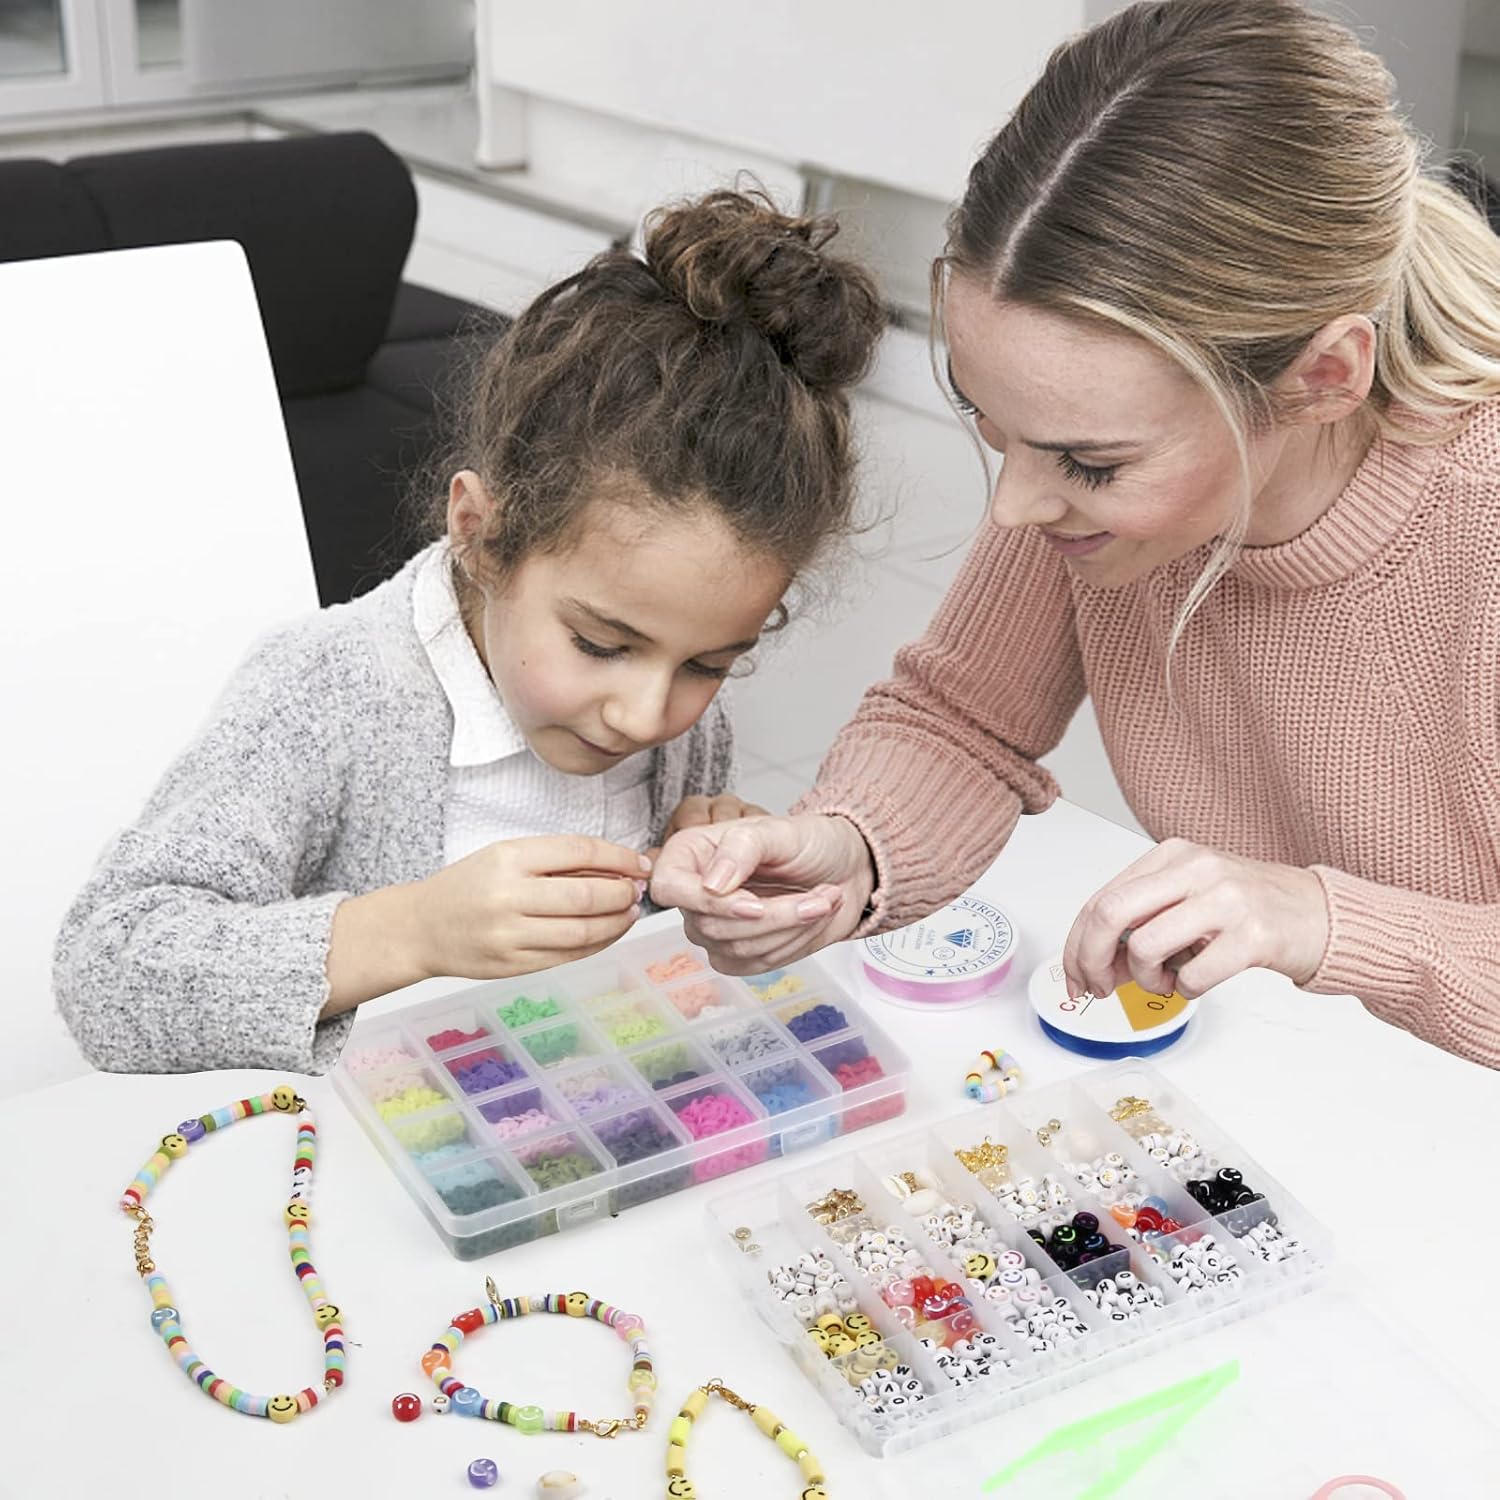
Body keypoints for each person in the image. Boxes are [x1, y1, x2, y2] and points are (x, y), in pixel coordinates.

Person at [650, 0, 1500, 1070]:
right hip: (1327, 1087)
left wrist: (1320, 918)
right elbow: (963, 718)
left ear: (1324, 377)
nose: (1015, 506)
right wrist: (848, 850)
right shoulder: (1092, 479)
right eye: (994, 426)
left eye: (1091, 463)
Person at [53, 189, 885, 1074]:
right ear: (481, 535)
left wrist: (702, 861)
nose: (647, 716)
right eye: (603, 645)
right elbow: (107, 970)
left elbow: (624, 989)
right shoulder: (329, 693)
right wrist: (410, 930)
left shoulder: (680, 729)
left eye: (711, 664)